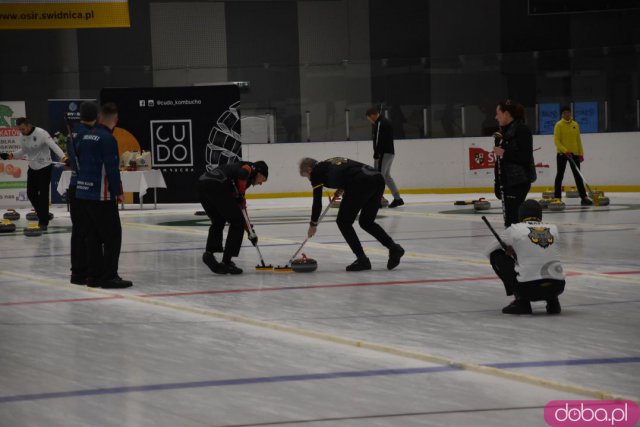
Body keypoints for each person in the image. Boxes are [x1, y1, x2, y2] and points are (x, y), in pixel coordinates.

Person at [299, 157, 404, 271]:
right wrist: (342, 186)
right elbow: (348, 170)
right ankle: (394, 248)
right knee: (366, 222)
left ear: (309, 170)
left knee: (343, 222)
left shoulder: (316, 173)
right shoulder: (329, 162)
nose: (310, 179)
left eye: (307, 176)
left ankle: (362, 259)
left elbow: (317, 202)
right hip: (377, 179)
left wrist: (313, 224)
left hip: (360, 183)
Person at [75, 103, 132, 289]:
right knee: (113, 237)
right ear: (115, 120)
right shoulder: (107, 138)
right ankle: (109, 276)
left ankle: (94, 276)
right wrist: (119, 192)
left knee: (92, 237)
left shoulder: (84, 136)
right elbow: (112, 168)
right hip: (101, 196)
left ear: (99, 117)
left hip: (83, 194)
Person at [485, 199, 565, 315]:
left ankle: (521, 302)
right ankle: (553, 302)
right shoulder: (553, 228)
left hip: (528, 289)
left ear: (521, 215)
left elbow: (489, 250)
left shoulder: (514, 229)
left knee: (495, 255)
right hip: (557, 287)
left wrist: (510, 249)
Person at [197, 160, 268, 275]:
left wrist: (249, 230)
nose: (261, 183)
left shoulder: (241, 176)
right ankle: (227, 262)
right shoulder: (250, 168)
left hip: (202, 184)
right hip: (217, 185)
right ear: (259, 173)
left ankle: (209, 253)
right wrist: (240, 193)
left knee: (218, 220)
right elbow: (243, 172)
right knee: (237, 222)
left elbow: (242, 207)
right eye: (263, 180)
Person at [1, 117, 65, 231]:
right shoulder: (22, 137)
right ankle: (43, 214)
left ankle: (43, 222)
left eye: (23, 129)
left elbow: (54, 146)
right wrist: (10, 155)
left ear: (28, 125)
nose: (22, 132)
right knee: (31, 194)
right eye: (20, 130)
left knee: (43, 195)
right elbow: (23, 151)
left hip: (45, 167)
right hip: (32, 167)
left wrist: (64, 157)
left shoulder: (41, 133)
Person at [67, 101, 99, 285]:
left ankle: (76, 272)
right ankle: (89, 270)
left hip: (74, 184)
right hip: (87, 187)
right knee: (90, 230)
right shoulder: (91, 135)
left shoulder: (73, 133)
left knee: (78, 230)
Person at [493, 100, 535, 228]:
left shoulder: (522, 130)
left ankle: (514, 246)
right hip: (507, 183)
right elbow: (501, 162)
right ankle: (512, 246)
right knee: (509, 221)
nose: (496, 117)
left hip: (518, 183)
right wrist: (498, 182)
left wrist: (504, 153)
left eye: (498, 113)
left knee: (513, 221)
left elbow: (525, 157)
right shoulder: (504, 132)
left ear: (506, 114)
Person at [553, 106, 593, 205]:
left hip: (574, 154)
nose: (567, 114)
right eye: (565, 113)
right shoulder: (558, 125)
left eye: (568, 113)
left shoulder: (575, 124)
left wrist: (581, 153)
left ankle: (584, 197)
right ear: (562, 114)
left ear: (570, 113)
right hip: (562, 154)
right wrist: (565, 150)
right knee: (560, 175)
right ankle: (557, 197)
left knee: (578, 176)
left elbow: (578, 140)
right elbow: (556, 141)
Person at [366, 106, 403, 208]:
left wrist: (376, 153)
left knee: (379, 177)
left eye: (369, 118)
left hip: (383, 154)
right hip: (390, 153)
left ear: (373, 115)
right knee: (386, 176)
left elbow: (379, 140)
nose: (369, 121)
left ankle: (377, 201)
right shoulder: (384, 122)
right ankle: (397, 198)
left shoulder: (380, 123)